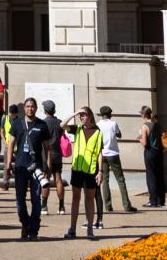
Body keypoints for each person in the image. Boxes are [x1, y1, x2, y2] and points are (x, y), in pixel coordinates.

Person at [5, 95, 51, 239]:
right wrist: (8, 164)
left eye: (32, 106)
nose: (30, 108)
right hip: (20, 166)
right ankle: (25, 224)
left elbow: (47, 148)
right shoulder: (17, 124)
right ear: (24, 108)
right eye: (27, 106)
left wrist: (48, 165)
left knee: (36, 199)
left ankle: (34, 230)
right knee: (20, 199)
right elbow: (11, 144)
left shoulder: (42, 125)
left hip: (36, 167)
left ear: (36, 108)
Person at [64, 108, 103, 241]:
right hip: (77, 169)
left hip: (91, 170)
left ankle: (90, 229)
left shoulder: (98, 132)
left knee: (89, 199)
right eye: (80, 116)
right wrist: (74, 113)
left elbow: (100, 153)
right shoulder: (78, 129)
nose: (81, 118)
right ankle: (72, 228)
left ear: (90, 116)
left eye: (84, 115)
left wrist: (100, 171)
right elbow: (62, 125)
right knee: (75, 198)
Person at [97, 104, 133, 214]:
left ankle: (108, 206)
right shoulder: (113, 123)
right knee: (120, 180)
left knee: (104, 180)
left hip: (102, 155)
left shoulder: (97, 125)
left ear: (102, 115)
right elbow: (119, 135)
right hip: (113, 153)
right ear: (109, 114)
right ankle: (126, 205)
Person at [41, 99, 65, 217]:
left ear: (45, 110)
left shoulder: (43, 123)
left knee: (45, 179)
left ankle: (44, 205)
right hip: (57, 152)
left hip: (46, 153)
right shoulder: (59, 122)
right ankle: (61, 206)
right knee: (58, 179)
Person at [139, 105, 166, 208]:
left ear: (144, 114)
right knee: (159, 175)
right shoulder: (157, 124)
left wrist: (139, 139)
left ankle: (152, 201)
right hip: (159, 152)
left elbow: (145, 143)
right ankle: (161, 200)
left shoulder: (144, 126)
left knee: (151, 176)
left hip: (150, 152)